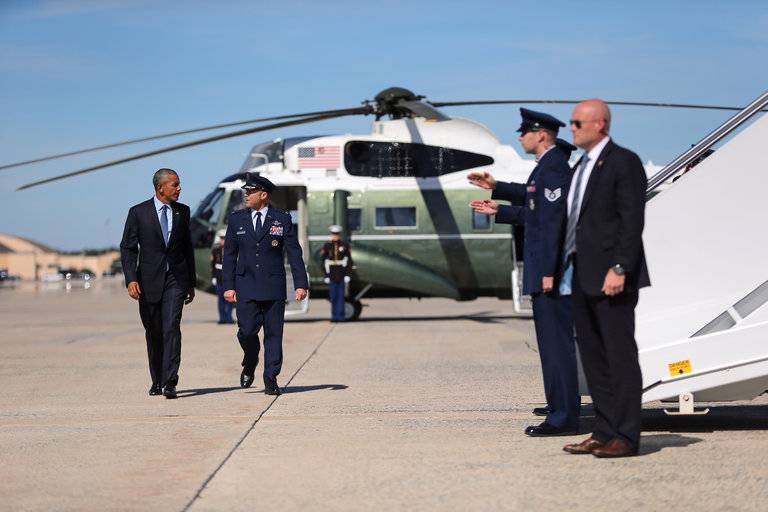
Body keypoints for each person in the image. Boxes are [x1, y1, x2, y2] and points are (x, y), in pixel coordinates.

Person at [469, 108, 580, 436]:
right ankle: (557, 405)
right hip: (544, 272)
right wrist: (499, 200)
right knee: (550, 347)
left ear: (541, 134)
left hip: (550, 275)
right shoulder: (546, 168)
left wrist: (549, 271)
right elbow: (536, 207)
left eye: (525, 131)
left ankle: (563, 418)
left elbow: (553, 223)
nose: (520, 136)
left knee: (557, 347)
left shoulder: (555, 168)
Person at [560, 99, 651, 458]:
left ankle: (626, 437)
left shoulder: (623, 162)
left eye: (577, 123)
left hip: (612, 276)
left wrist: (620, 268)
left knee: (619, 357)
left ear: (600, 124)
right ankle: (604, 430)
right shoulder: (581, 165)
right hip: (581, 274)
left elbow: (632, 220)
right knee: (594, 358)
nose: (572, 128)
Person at [222, 174, 309, 395]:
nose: (246, 195)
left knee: (274, 334)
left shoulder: (281, 219)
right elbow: (229, 256)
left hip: (273, 286)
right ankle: (250, 361)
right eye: (246, 191)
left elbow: (294, 252)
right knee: (246, 332)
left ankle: (270, 378)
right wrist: (228, 286)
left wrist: (301, 283)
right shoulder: (236, 219)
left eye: (250, 192)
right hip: (246, 285)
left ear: (263, 195)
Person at [120, 168, 196, 399]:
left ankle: (171, 381)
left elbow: (187, 248)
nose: (179, 188)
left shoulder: (183, 211)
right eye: (175, 184)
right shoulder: (138, 212)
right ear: (160, 187)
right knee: (154, 331)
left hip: (175, 279)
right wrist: (131, 278)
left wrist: (191, 282)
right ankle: (157, 379)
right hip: (148, 281)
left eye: (179, 184)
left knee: (171, 327)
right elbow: (128, 247)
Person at [321, 225, 353, 322]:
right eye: (334, 234)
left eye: (337, 234)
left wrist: (347, 274)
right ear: (331, 234)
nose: (335, 236)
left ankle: (341, 316)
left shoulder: (344, 245)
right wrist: (326, 275)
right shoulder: (327, 245)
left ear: (339, 235)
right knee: (333, 296)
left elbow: (349, 261)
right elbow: (323, 261)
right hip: (332, 273)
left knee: (341, 296)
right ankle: (334, 316)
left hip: (341, 272)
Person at [211, 229, 234, 324]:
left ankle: (229, 317)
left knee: (230, 298)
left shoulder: (232, 249)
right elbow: (212, 265)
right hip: (219, 276)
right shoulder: (216, 250)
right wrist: (213, 277)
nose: (223, 240)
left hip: (228, 276)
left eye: (224, 238)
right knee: (220, 299)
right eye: (221, 238)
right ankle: (222, 318)